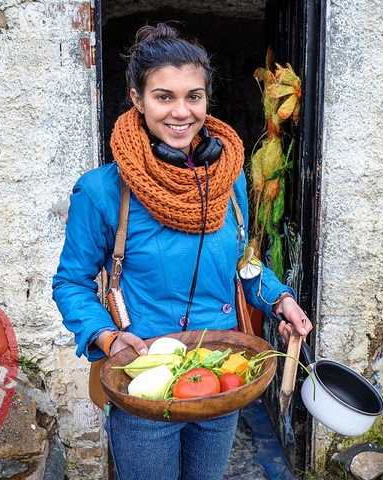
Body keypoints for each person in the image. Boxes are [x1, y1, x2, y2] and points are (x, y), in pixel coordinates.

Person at [51, 23, 311, 480]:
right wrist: (108, 339)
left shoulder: (229, 181)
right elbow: (70, 283)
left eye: (194, 96)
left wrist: (279, 299)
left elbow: (242, 264)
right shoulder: (101, 191)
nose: (181, 112)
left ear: (207, 100)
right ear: (137, 98)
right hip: (144, 377)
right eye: (163, 96)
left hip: (218, 371)